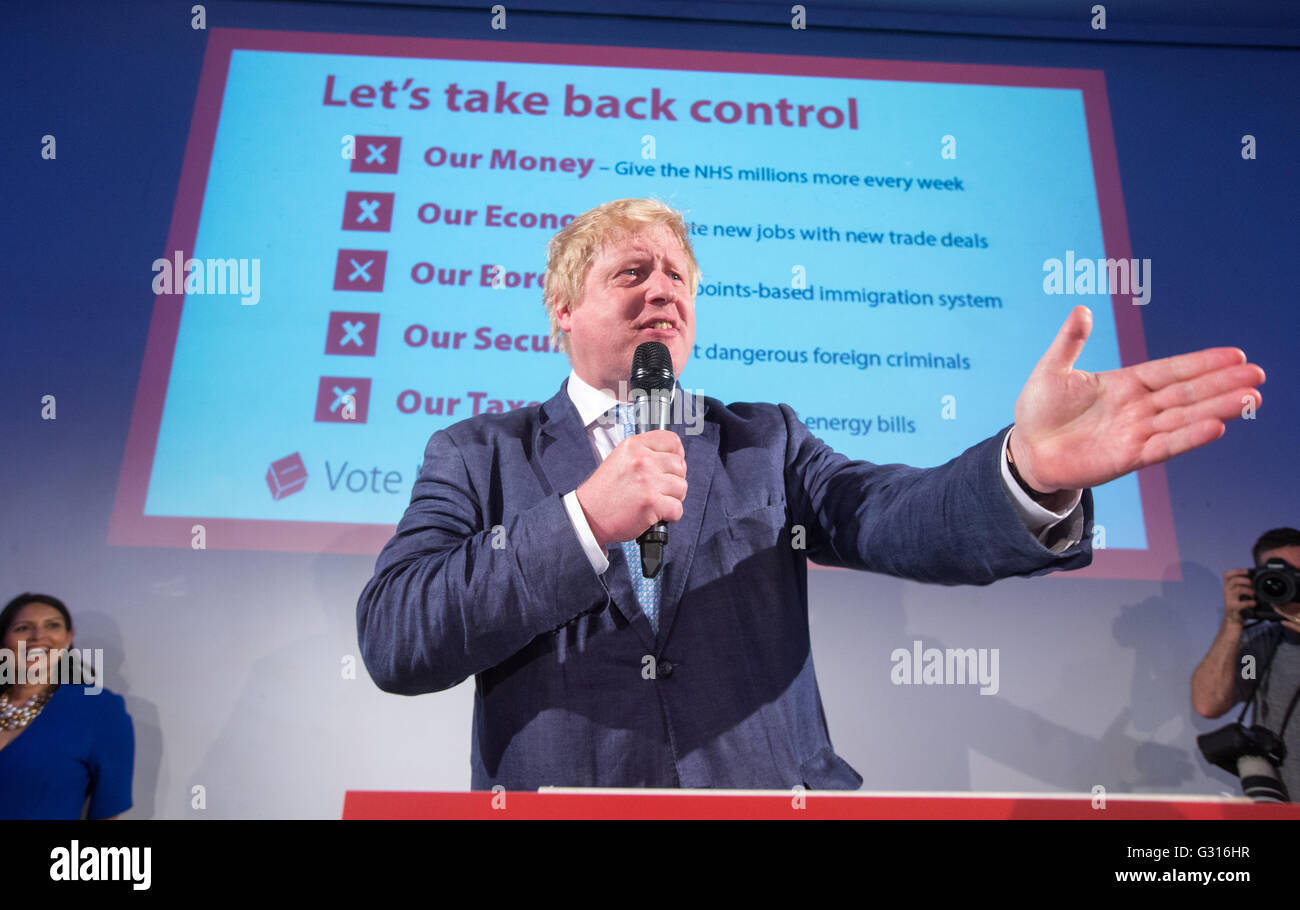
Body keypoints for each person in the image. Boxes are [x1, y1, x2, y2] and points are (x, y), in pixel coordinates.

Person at [357, 197, 1264, 790]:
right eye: (631, 273)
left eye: (678, 275)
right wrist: (586, 521)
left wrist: (1025, 471)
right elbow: (398, 634)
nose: (662, 290)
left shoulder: (763, 440)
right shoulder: (479, 453)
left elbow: (893, 517)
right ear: (561, 308)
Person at [0, 593, 135, 818]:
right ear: (4, 639)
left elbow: (108, 809)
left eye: (52, 625)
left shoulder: (98, 708)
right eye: (22, 628)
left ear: (68, 637)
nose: (37, 636)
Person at [1191, 528, 1300, 799]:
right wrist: (1233, 622)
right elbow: (1209, 703)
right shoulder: (1260, 646)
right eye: (1278, 577)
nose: (1290, 585)